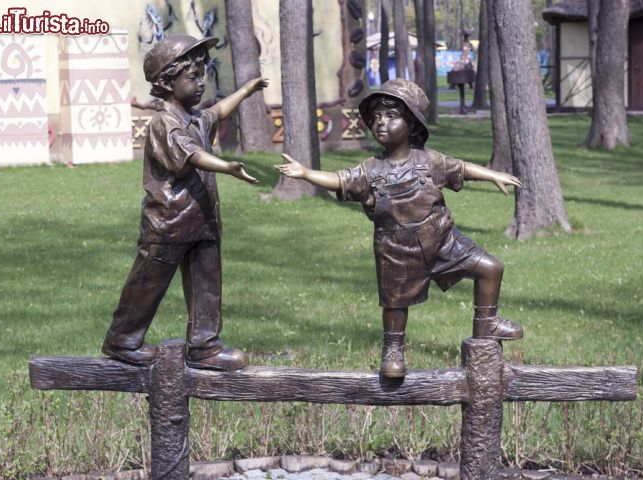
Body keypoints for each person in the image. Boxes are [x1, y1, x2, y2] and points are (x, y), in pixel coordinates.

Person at [275, 79, 523, 378]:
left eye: (391, 116)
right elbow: (340, 179)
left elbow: (461, 168)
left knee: (491, 268)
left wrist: (493, 174)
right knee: (395, 304)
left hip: (442, 239)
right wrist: (305, 174)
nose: (381, 123)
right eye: (377, 117)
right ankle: (393, 350)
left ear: (412, 125)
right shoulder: (370, 169)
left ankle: (486, 322)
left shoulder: (429, 160)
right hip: (395, 248)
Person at [101, 34, 267, 370]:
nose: (201, 83)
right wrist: (227, 167)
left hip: (202, 219)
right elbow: (191, 155)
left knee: (207, 284)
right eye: (192, 77)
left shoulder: (195, 118)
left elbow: (218, 111)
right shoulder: (165, 122)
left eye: (202, 75)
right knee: (148, 283)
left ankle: (205, 345)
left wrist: (247, 90)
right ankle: (122, 341)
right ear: (166, 82)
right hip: (169, 223)